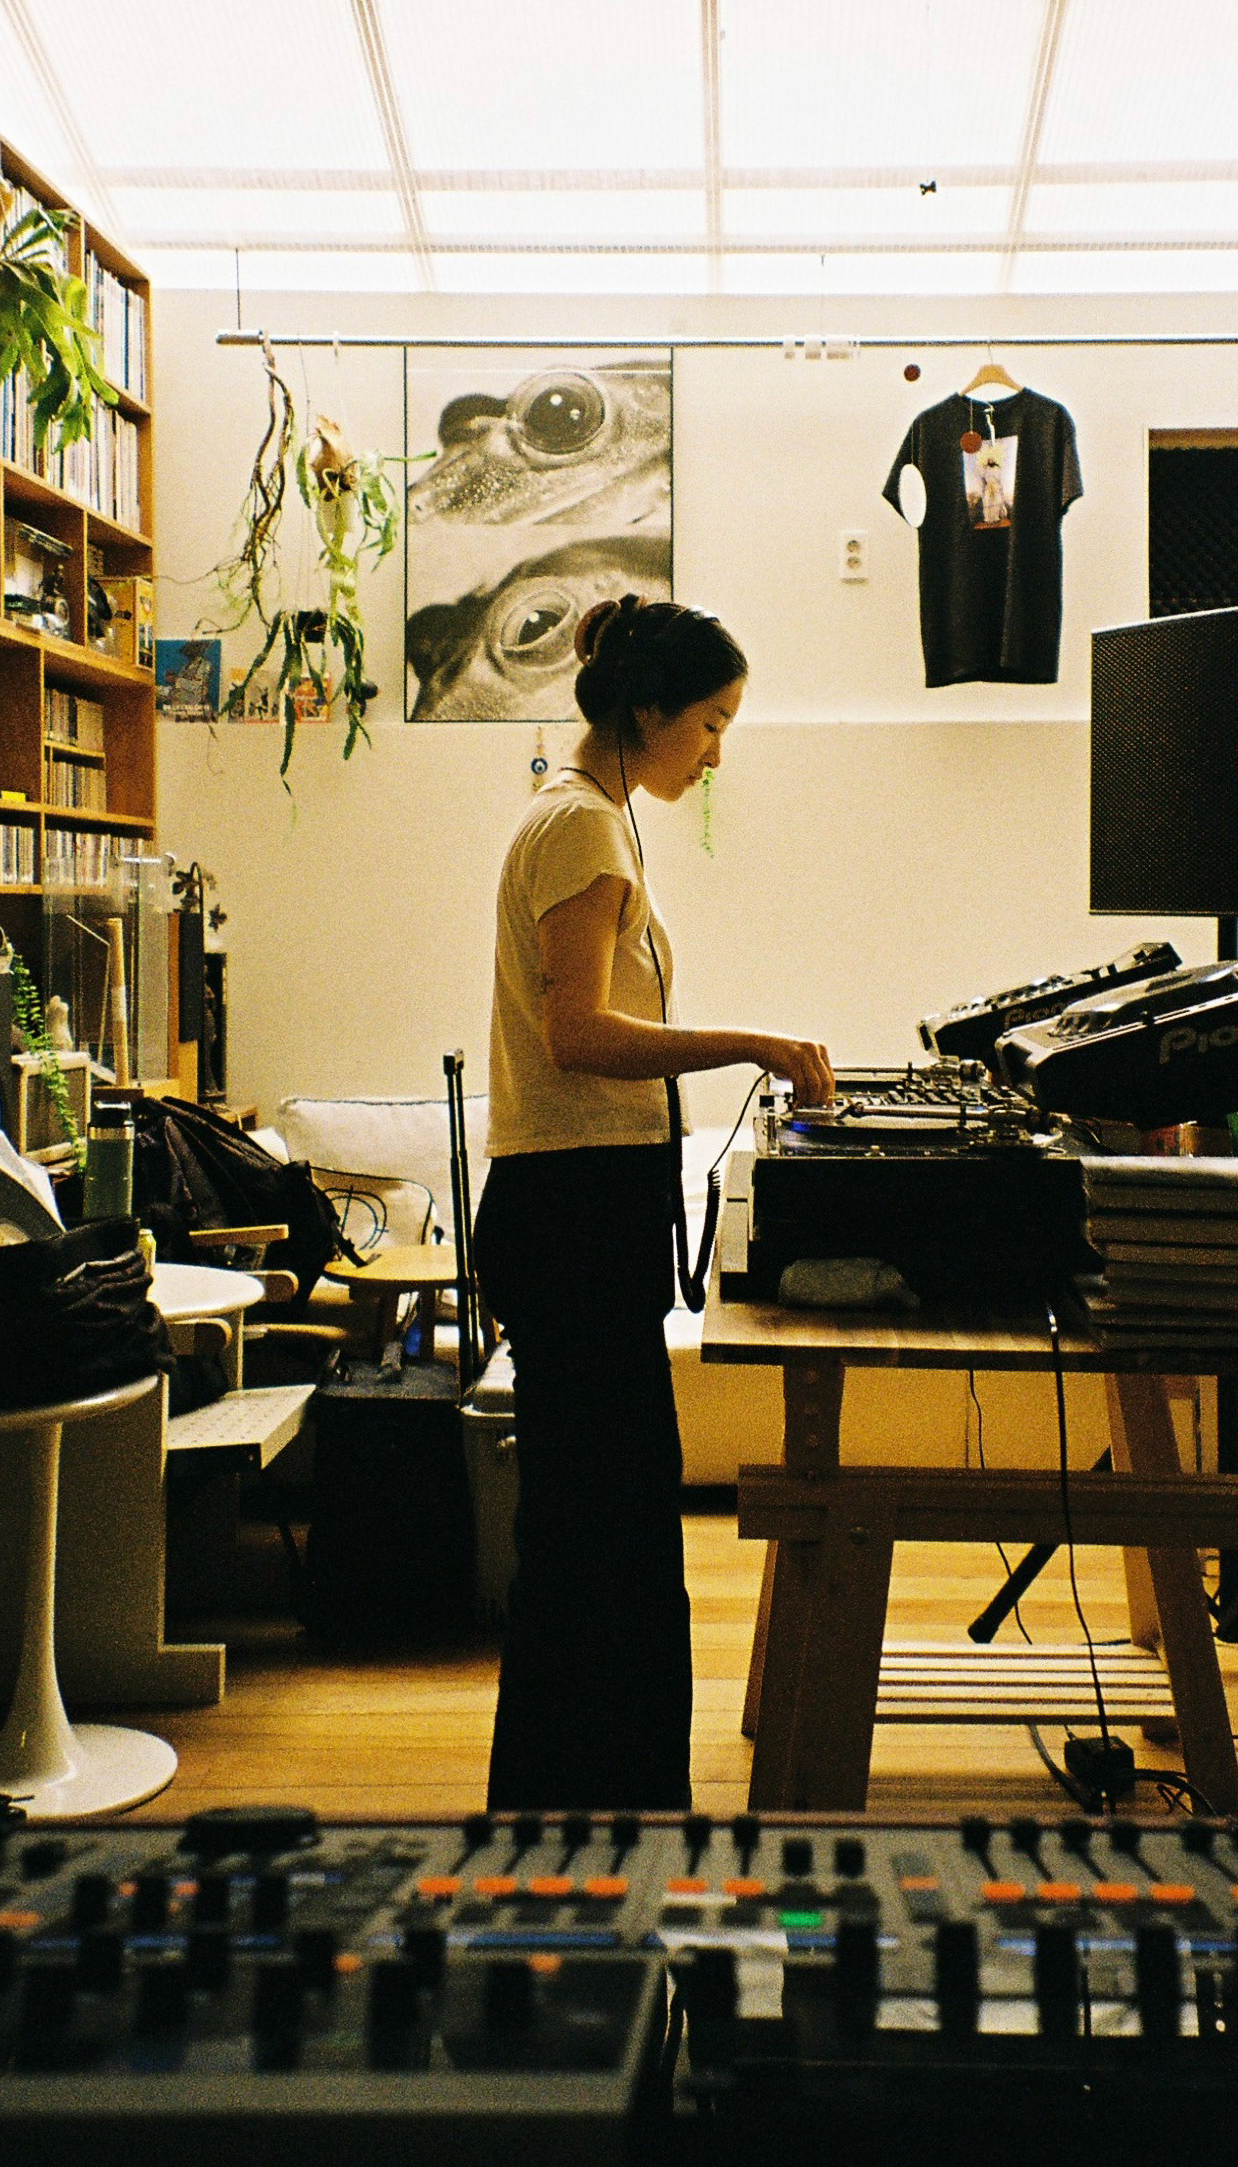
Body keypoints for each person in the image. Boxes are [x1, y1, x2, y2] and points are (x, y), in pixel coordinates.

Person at [477, 594, 833, 1810]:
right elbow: (577, 1034)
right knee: (599, 1534)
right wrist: (753, 1043)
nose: (716, 753)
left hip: (582, 1208)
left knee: (602, 1530)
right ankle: (590, 1805)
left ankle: (585, 1798)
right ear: (647, 711)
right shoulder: (580, 827)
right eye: (711, 723)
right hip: (574, 1216)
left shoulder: (584, 818)